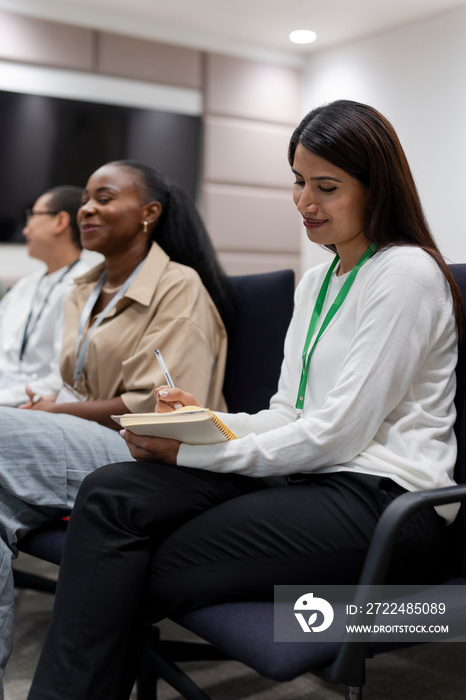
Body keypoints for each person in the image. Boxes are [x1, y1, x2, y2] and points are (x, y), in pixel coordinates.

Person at [27, 100, 464, 700]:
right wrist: (203, 423)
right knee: (111, 490)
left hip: (383, 501)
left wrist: (190, 455)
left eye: (327, 187)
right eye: (298, 181)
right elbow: (289, 414)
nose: (304, 202)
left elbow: (337, 433)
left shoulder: (406, 274)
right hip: (314, 477)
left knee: (139, 562)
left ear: (377, 187)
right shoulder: (318, 281)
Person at [0, 160, 231, 697]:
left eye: (104, 198)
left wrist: (55, 416)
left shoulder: (178, 286)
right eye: (84, 198)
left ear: (149, 213)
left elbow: (157, 405)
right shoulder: (84, 286)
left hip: (150, 450)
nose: (86, 208)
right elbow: (86, 383)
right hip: (94, 438)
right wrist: (56, 403)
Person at [0, 185, 89, 407]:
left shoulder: (82, 287)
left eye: (32, 215)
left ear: (60, 222)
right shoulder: (26, 285)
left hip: (28, 404)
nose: (25, 229)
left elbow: (61, 381)